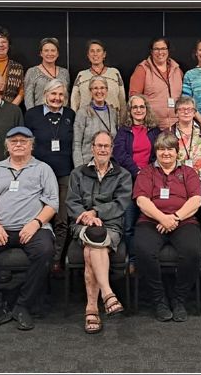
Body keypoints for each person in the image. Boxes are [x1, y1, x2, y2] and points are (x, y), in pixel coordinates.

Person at [0, 127, 59, 332]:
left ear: (32, 145)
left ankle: (23, 305)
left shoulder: (43, 169)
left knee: (45, 251)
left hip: (34, 227)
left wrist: (35, 223)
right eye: (14, 141)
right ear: (7, 146)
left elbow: (52, 203)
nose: (19, 144)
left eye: (24, 141)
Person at [66, 131, 132, 334]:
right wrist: (87, 217)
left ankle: (92, 308)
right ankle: (108, 293)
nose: (103, 149)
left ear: (112, 149)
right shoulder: (77, 173)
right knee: (94, 237)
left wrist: (97, 212)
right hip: (83, 223)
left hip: (111, 225)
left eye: (107, 146)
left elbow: (121, 204)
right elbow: (72, 202)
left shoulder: (123, 175)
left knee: (90, 249)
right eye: (99, 145)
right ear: (92, 148)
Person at [132, 132, 201, 323]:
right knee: (143, 250)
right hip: (151, 220)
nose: (166, 153)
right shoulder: (147, 172)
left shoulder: (188, 172)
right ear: (156, 152)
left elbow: (196, 200)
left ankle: (179, 299)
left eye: (170, 149)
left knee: (193, 251)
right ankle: (159, 300)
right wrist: (163, 218)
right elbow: (141, 200)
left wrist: (175, 218)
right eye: (161, 149)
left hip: (184, 221)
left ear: (177, 152)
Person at [24, 79, 75, 277]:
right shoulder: (32, 115)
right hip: (37, 174)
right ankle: (38, 260)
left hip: (64, 173)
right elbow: (26, 142)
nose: (57, 98)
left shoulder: (70, 115)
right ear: (45, 95)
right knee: (37, 217)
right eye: (53, 94)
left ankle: (56, 260)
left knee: (62, 218)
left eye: (61, 95)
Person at [112, 95, 162, 268]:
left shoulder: (155, 131)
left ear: (146, 109)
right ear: (130, 110)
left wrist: (147, 172)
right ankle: (133, 260)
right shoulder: (123, 131)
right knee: (129, 223)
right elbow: (119, 155)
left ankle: (150, 259)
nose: (139, 110)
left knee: (151, 220)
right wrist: (137, 171)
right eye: (135, 107)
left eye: (142, 107)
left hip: (152, 179)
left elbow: (160, 153)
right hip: (129, 180)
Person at [129, 37, 183, 130]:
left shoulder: (177, 70)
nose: (160, 52)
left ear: (168, 50)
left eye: (163, 49)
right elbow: (134, 98)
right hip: (152, 126)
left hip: (177, 126)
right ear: (151, 51)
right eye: (156, 49)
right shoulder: (142, 69)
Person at [70, 39, 127, 114]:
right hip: (87, 120)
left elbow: (122, 100)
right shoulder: (81, 75)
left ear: (104, 54)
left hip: (112, 120)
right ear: (88, 55)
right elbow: (74, 101)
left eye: (98, 51)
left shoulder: (114, 73)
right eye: (92, 51)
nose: (95, 54)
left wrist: (122, 120)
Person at [73, 76, 120, 167]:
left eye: (102, 88)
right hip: (88, 165)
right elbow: (76, 144)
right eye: (95, 88)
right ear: (90, 91)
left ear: (106, 90)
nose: (99, 91)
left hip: (110, 165)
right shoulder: (83, 113)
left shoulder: (113, 112)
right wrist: (79, 170)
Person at [168, 96, 201, 179]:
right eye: (182, 109)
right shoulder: (169, 132)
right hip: (176, 181)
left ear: (194, 113)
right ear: (176, 112)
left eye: (190, 109)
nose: (186, 112)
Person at [24, 37, 71, 109]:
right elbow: (28, 100)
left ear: (57, 53)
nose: (50, 53)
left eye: (53, 50)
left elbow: (66, 98)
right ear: (41, 53)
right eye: (46, 50)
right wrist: (33, 116)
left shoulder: (64, 73)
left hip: (60, 115)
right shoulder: (32, 72)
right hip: (39, 116)